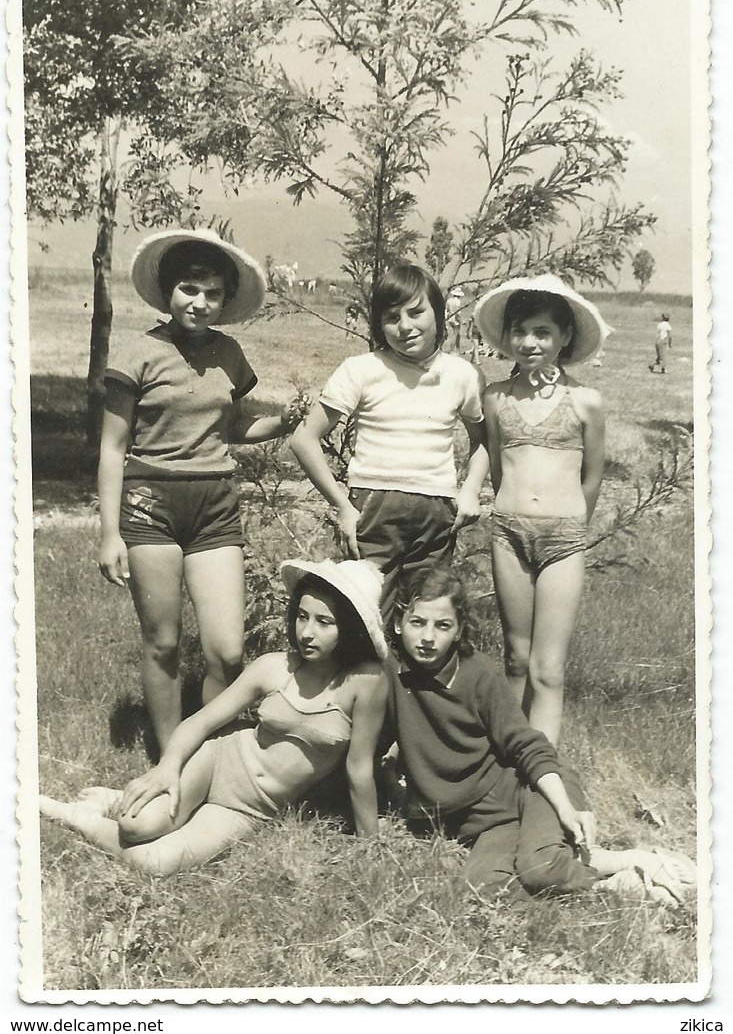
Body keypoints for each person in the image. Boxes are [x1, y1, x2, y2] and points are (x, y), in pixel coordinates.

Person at [40, 559, 389, 876]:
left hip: (251, 807)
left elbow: (359, 768)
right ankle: (108, 803)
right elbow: (202, 722)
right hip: (216, 762)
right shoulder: (274, 666)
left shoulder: (366, 684)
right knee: (136, 826)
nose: (307, 632)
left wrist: (369, 846)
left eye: (324, 622)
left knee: (155, 863)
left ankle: (80, 817)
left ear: (351, 630)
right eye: (302, 616)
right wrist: (168, 767)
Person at [98, 229, 305, 752]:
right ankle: (170, 760)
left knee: (226, 651)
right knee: (163, 643)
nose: (201, 302)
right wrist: (108, 534)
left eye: (213, 293)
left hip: (215, 506)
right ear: (170, 290)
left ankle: (205, 751)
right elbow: (112, 448)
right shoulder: (138, 353)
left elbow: (232, 430)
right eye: (191, 289)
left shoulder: (229, 354)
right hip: (151, 507)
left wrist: (283, 421)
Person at [381, 567, 696, 904]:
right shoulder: (389, 673)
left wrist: (564, 809)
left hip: (528, 790)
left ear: (458, 631)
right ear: (399, 623)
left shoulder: (479, 674)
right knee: (483, 885)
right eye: (418, 622)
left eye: (443, 625)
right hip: (485, 823)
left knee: (541, 867)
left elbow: (526, 744)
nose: (428, 637)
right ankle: (613, 884)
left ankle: (636, 859)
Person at [291, 262, 488, 619]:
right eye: (392, 317)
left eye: (416, 312)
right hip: (374, 507)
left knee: (426, 613)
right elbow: (304, 439)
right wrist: (342, 507)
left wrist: (471, 490)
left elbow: (483, 440)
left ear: (438, 313)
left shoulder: (463, 374)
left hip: (437, 511)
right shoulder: (362, 369)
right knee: (366, 613)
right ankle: (369, 677)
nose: (405, 326)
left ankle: (414, 678)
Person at [475, 274, 610, 745]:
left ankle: (541, 772)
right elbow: (496, 467)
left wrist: (569, 523)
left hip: (565, 539)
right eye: (520, 331)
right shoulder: (495, 398)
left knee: (548, 669)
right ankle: (507, 760)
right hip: (508, 534)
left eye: (542, 332)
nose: (529, 342)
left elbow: (592, 476)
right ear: (507, 336)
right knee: (516, 657)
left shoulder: (586, 402)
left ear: (564, 338)